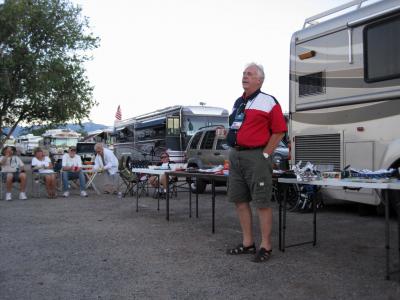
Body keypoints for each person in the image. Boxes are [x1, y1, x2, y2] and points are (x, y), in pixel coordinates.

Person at [226, 63, 287, 262]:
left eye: (250, 74)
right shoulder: (238, 102)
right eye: (244, 73)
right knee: (240, 201)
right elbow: (236, 127)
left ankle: (266, 246)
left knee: (261, 202)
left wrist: (266, 155)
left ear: (259, 80)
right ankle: (248, 243)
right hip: (236, 156)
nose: (245, 76)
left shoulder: (268, 101)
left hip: (257, 157)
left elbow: (279, 130)